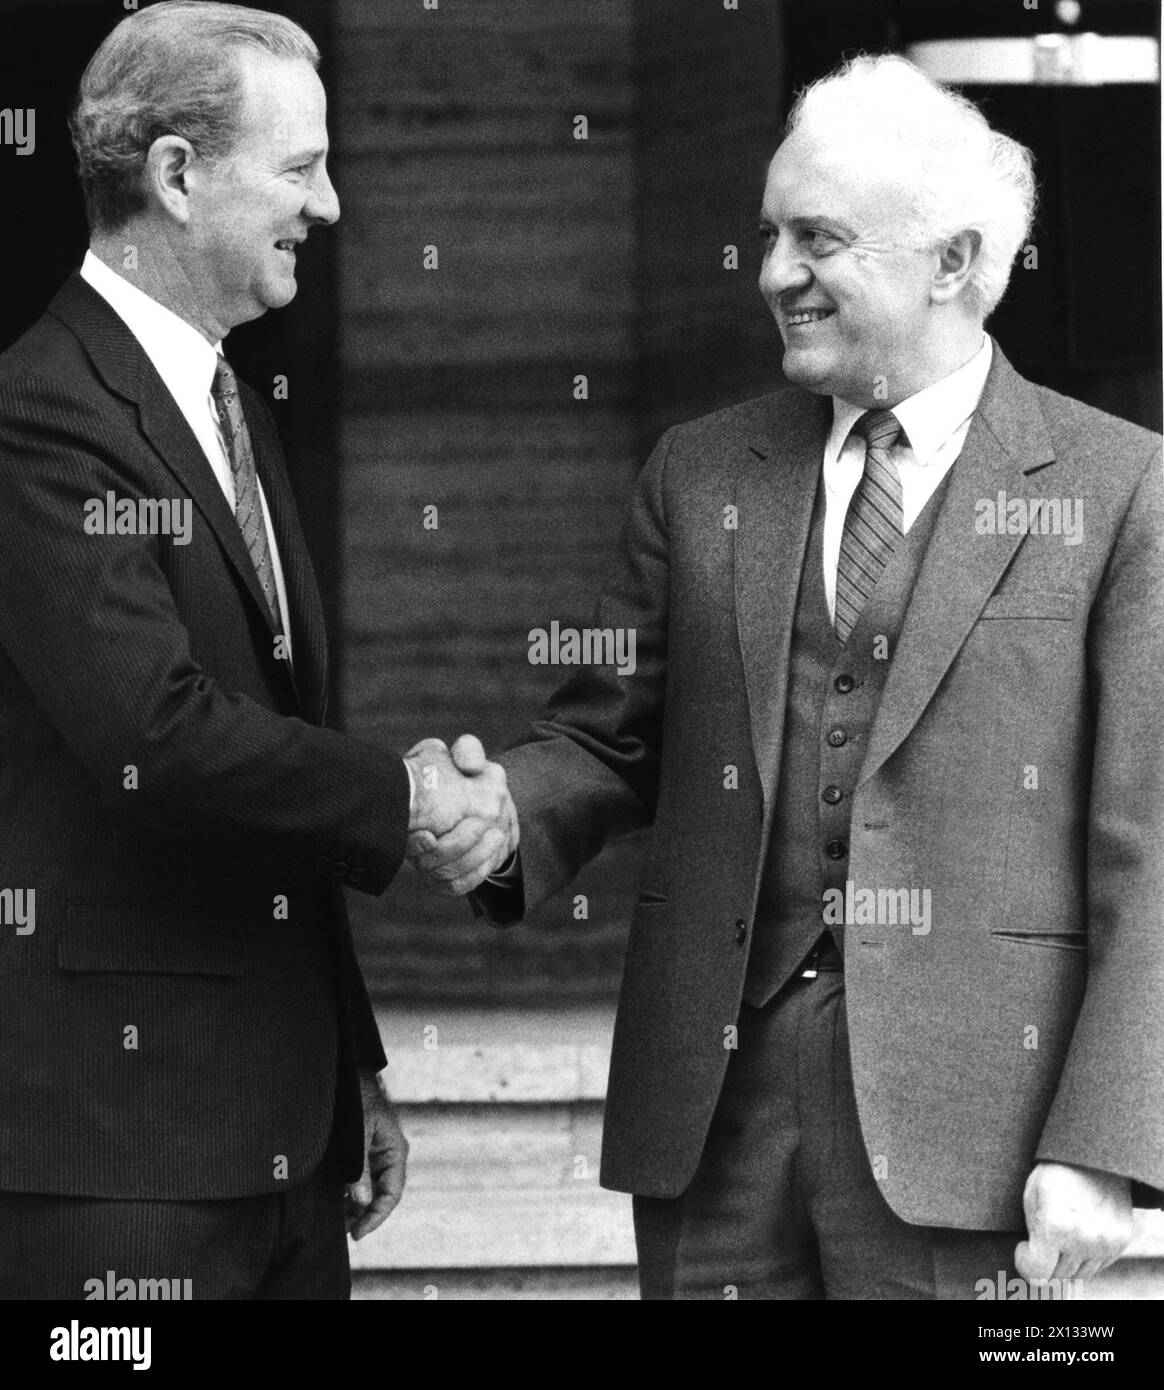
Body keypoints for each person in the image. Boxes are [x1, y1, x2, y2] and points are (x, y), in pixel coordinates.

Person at [413, 54, 1164, 1299]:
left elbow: (1155, 844)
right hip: (713, 1118)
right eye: (769, 236)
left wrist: (1105, 1142)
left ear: (955, 263)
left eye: (818, 239)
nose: (772, 275)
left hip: (977, 1134)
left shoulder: (1125, 489)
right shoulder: (701, 472)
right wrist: (497, 819)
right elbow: (610, 742)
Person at [0, 1, 512, 1300]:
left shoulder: (227, 400)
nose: (330, 207)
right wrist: (405, 797)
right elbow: (153, 730)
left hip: (284, 1141)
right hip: (122, 1157)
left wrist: (351, 1064)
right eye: (300, 168)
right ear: (176, 176)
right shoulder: (41, 413)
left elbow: (265, 741)